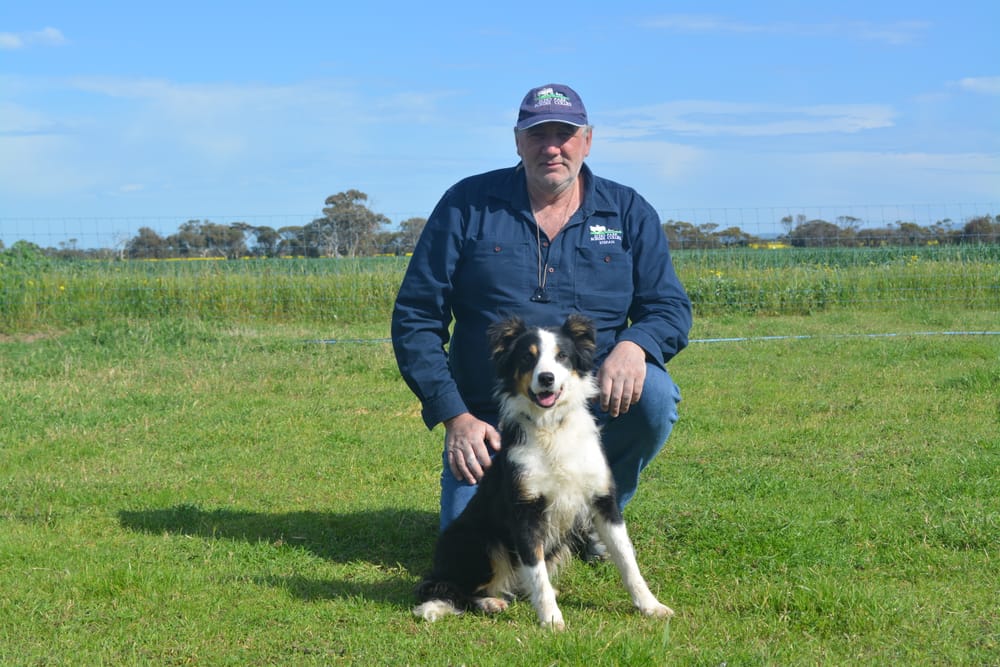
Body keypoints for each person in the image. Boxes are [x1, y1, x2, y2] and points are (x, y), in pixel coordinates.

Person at [391, 83, 692, 535]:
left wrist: (636, 345)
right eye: (537, 134)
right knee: (480, 554)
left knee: (654, 395)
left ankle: (593, 517)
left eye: (564, 133)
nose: (552, 147)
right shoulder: (467, 205)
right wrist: (456, 416)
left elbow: (668, 306)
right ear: (517, 141)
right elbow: (416, 315)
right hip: (496, 420)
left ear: (587, 140)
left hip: (586, 410)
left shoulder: (627, 211)